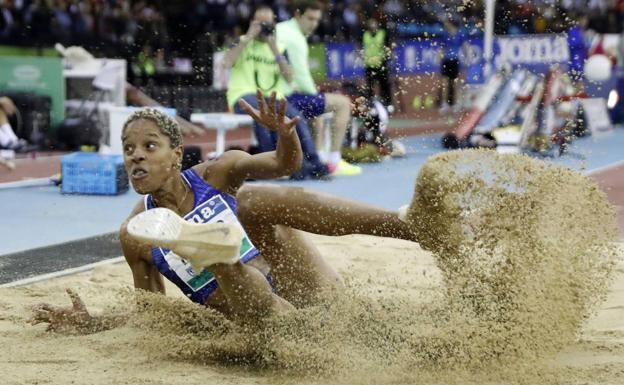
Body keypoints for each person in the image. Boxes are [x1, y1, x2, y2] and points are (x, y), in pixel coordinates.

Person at [29, 93, 418, 331]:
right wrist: (93, 323)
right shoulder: (138, 234)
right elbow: (154, 316)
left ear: (177, 154)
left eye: (149, 146)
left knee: (251, 202)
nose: (136, 157)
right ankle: (216, 256)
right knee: (246, 289)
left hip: (303, 284)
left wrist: (286, 135)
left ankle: (408, 226)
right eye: (129, 150)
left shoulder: (218, 172)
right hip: (260, 324)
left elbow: (285, 166)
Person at [223, 5, 329, 180]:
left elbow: (289, 78)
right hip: (244, 95)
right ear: (252, 23)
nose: (264, 27)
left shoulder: (278, 46)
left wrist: (274, 48)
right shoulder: (242, 41)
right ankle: (271, 166)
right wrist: (249, 36)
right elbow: (227, 63)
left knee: (296, 118)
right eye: (260, 23)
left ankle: (313, 163)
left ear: (274, 24)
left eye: (268, 23)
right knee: (263, 118)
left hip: (272, 97)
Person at [276, 0, 362, 176]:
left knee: (317, 107)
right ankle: (334, 161)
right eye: (310, 18)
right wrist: (316, 95)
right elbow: (301, 76)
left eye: (317, 20)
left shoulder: (281, 28)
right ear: (298, 14)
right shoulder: (295, 38)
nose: (314, 24)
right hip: (283, 99)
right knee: (343, 103)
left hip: (275, 95)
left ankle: (319, 155)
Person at [362, 18, 393, 109]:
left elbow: (389, 45)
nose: (373, 26)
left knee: (384, 85)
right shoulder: (365, 35)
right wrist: (361, 55)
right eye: (371, 24)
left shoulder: (382, 34)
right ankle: (371, 105)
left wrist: (387, 56)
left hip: (381, 64)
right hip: (369, 65)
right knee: (370, 86)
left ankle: (388, 104)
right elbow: (358, 45)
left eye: (374, 24)